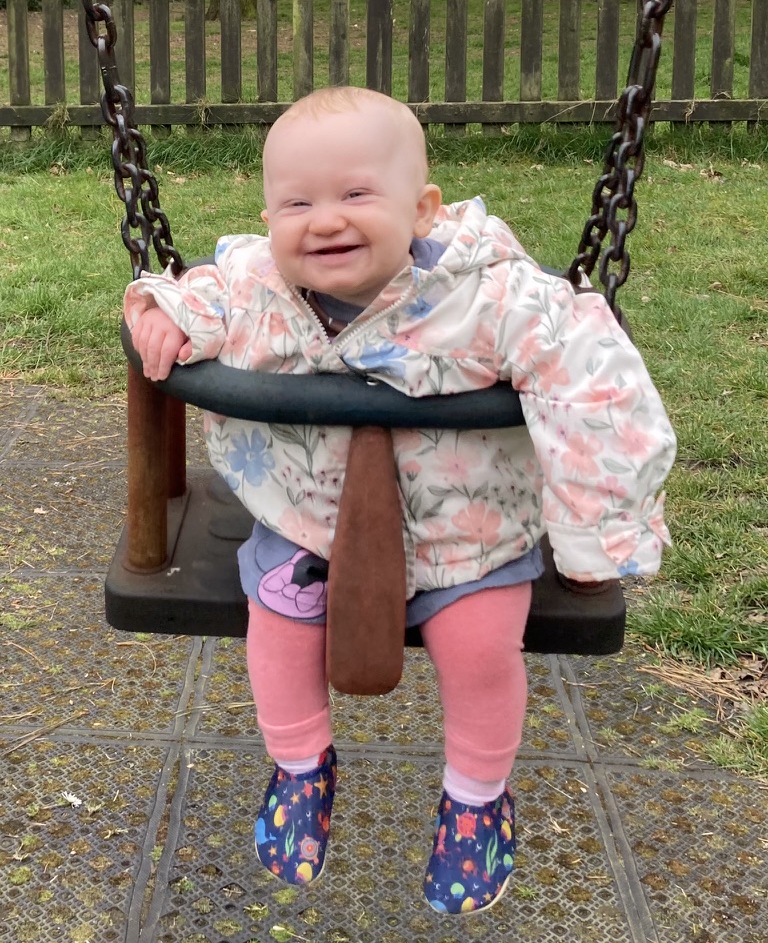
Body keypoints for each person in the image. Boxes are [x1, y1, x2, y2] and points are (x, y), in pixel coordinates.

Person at [124, 86, 676, 915]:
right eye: (297, 202)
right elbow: (199, 292)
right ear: (269, 217)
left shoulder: (491, 296)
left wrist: (595, 539)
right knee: (275, 633)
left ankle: (477, 801)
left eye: (355, 195)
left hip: (469, 524)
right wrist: (162, 313)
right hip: (304, 516)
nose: (325, 220)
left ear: (423, 210)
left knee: (483, 649)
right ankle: (301, 767)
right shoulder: (255, 281)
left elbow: (594, 379)